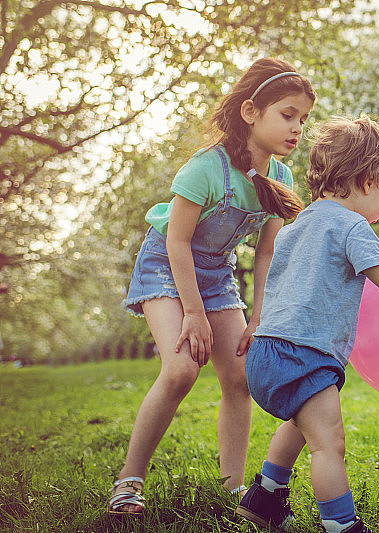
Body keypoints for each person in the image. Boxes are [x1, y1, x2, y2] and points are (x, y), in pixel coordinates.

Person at [235, 117, 379, 533]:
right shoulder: (351, 225)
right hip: (305, 354)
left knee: (298, 423)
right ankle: (340, 524)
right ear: (368, 181)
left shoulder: (297, 227)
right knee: (329, 443)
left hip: (266, 353)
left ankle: (264, 498)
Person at [109, 58, 316, 516]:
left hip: (218, 275)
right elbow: (177, 243)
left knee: (239, 377)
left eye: (303, 118)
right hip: (167, 265)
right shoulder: (205, 168)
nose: (297, 127)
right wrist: (194, 313)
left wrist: (258, 315)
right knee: (181, 370)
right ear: (250, 113)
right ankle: (128, 482)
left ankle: (232, 487)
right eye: (287, 114)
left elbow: (266, 253)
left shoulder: (280, 179)